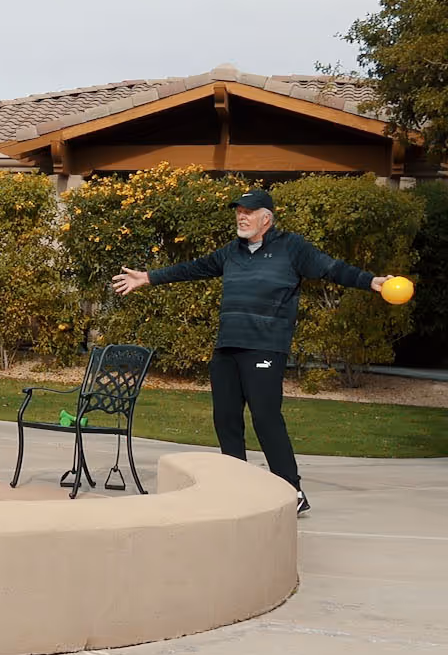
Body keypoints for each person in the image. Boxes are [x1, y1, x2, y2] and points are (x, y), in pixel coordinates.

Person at [111, 187, 395, 515]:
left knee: (265, 418)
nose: (241, 216)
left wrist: (369, 280)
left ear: (266, 218)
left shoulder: (292, 248)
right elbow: (193, 268)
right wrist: (148, 277)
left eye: (248, 211)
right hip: (227, 347)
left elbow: (332, 268)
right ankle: (235, 488)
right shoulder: (231, 252)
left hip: (265, 347)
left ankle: (292, 491)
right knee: (226, 418)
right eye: (238, 211)